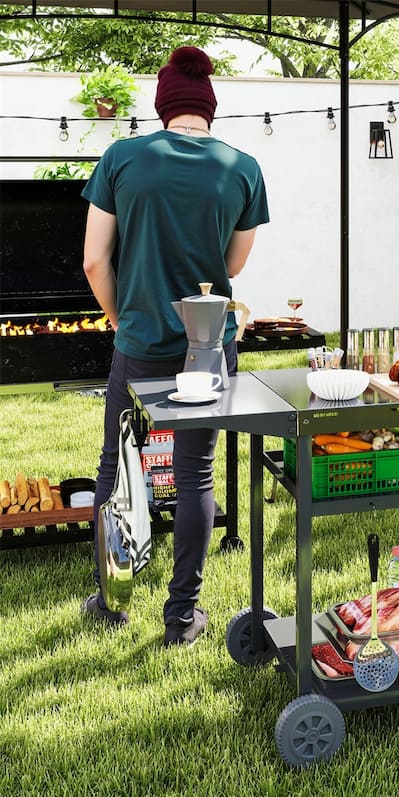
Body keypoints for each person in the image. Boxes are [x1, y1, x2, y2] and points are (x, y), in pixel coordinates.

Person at [80, 46, 270, 646]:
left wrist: (122, 319)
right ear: (208, 110)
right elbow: (232, 264)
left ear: (162, 106)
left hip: (137, 339)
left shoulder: (122, 158)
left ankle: (112, 601)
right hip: (207, 347)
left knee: (115, 468)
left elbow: (93, 261)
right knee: (194, 475)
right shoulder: (242, 167)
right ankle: (181, 617)